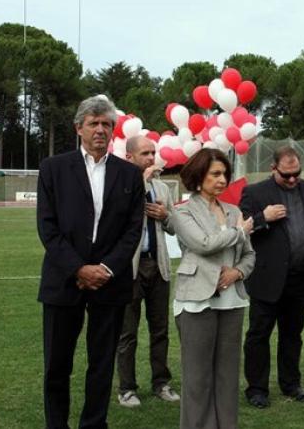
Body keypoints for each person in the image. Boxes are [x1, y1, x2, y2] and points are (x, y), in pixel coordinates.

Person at [36, 95, 145, 428]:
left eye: (106, 124)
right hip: (63, 280)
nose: (101, 130)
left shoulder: (128, 174)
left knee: (101, 362)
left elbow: (132, 230)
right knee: (57, 364)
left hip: (110, 283)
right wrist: (79, 268)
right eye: (94, 123)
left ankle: (94, 423)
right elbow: (48, 227)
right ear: (78, 127)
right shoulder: (53, 168)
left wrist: (106, 269)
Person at [171, 148, 255, 429]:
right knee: (197, 378)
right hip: (196, 300)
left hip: (232, 301)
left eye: (225, 175)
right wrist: (240, 231)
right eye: (215, 174)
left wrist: (236, 272)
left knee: (227, 376)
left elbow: (249, 255)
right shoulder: (182, 211)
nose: (222, 180)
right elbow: (203, 244)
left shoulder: (234, 212)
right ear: (198, 176)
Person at [240, 146, 304, 408]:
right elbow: (241, 228)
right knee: (259, 335)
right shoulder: (255, 192)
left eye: (296, 174)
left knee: (292, 334)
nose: (292, 179)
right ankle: (257, 389)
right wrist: (262, 218)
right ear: (273, 169)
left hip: (300, 278)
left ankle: (291, 384)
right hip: (267, 277)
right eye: (286, 175)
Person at [116, 136, 180, 408]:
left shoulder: (162, 188)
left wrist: (164, 215)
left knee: (160, 330)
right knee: (127, 333)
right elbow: (118, 217)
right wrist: (141, 180)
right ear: (129, 158)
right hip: (129, 269)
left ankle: (161, 383)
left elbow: (175, 227)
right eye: (145, 153)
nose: (152, 157)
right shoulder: (119, 185)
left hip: (158, 266)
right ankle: (127, 389)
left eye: (153, 152)